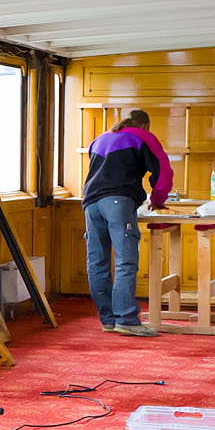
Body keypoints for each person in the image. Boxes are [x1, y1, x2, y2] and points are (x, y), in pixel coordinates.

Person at [82, 109, 173, 336]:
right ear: (146, 125)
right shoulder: (142, 136)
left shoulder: (99, 139)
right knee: (125, 261)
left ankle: (109, 320)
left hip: (90, 204)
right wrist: (157, 199)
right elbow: (163, 170)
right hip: (117, 202)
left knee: (97, 262)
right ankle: (127, 319)